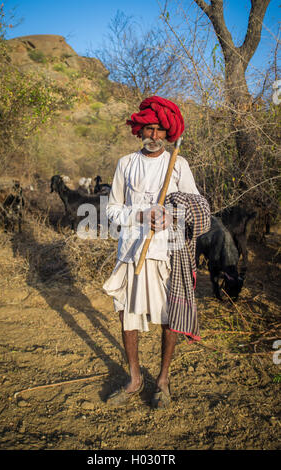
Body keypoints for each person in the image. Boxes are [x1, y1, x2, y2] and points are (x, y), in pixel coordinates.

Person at [103, 96, 210, 408]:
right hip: (131, 252)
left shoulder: (178, 164)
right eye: (147, 129)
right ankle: (135, 379)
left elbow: (197, 206)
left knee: (167, 317)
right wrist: (139, 215)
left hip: (166, 254)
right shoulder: (125, 164)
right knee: (127, 314)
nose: (152, 135)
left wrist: (171, 215)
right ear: (139, 131)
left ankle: (162, 381)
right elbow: (111, 210)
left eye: (159, 130)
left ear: (168, 133)